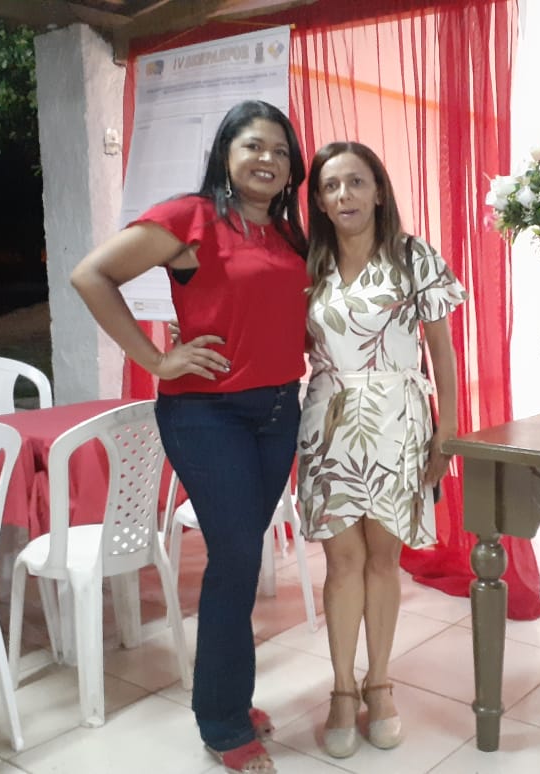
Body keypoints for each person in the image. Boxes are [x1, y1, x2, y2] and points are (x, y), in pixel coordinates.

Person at [70, 100, 308, 774]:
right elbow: (91, 275)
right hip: (207, 414)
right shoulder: (190, 218)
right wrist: (155, 358)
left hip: (278, 412)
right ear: (226, 153)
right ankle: (224, 722)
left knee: (241, 559)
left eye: (281, 151)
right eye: (254, 145)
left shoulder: (288, 235)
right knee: (235, 556)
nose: (268, 159)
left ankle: (226, 696)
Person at [296, 141, 466, 758]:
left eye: (356, 182)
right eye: (331, 186)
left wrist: (448, 432)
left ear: (378, 191)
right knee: (342, 562)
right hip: (329, 422)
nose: (344, 195)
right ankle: (344, 690)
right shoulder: (307, 265)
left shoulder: (413, 256)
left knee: (382, 561)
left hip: (399, 418)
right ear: (319, 201)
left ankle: (380, 683)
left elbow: (442, 350)